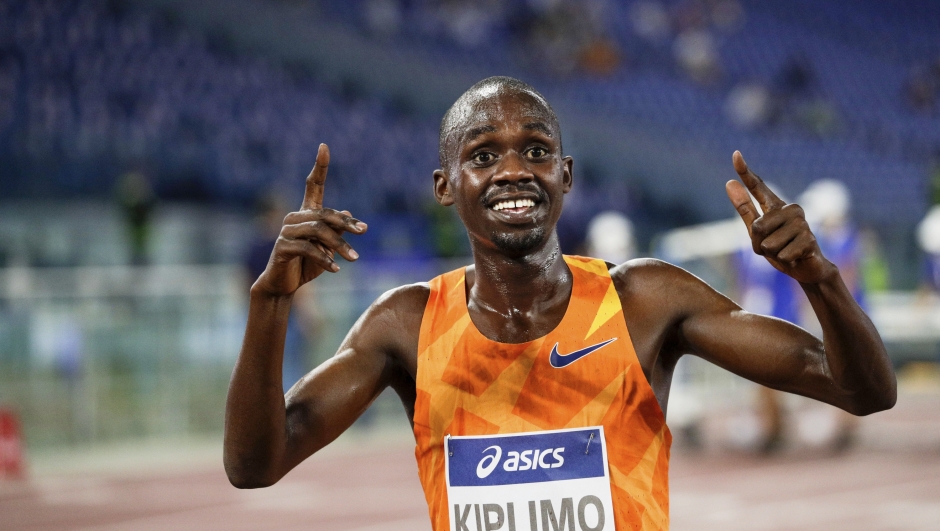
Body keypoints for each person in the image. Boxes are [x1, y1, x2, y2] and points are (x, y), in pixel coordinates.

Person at [223, 77, 896, 531]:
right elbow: (254, 466)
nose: (514, 170)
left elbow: (862, 390)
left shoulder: (645, 301)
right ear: (446, 185)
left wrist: (819, 277)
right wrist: (270, 305)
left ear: (565, 176)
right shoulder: (408, 323)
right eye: (483, 155)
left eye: (537, 150)